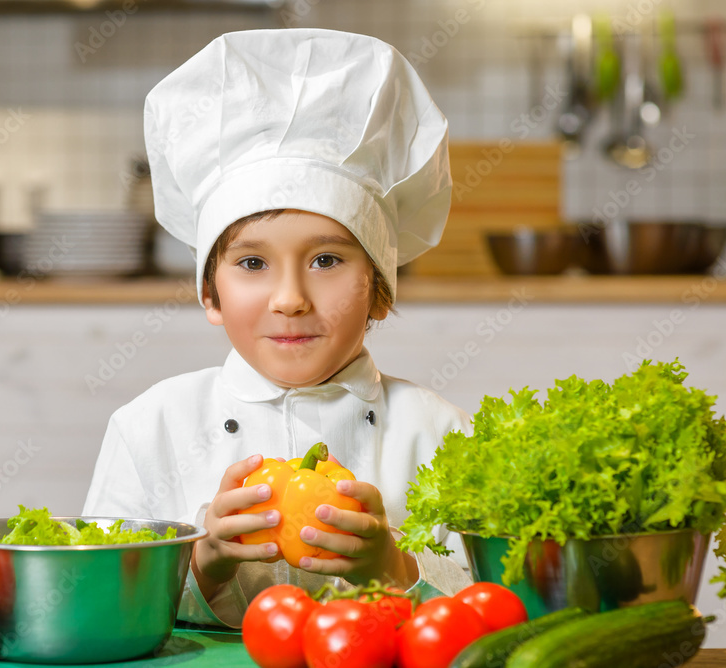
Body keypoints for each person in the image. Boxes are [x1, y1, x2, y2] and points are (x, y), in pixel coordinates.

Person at [83, 28, 472, 628]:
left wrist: (394, 570)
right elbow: (99, 605)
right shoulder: (150, 428)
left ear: (381, 294)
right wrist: (200, 562)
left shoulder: (439, 433)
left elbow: (497, 604)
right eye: (253, 263)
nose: (289, 299)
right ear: (210, 294)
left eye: (326, 260)